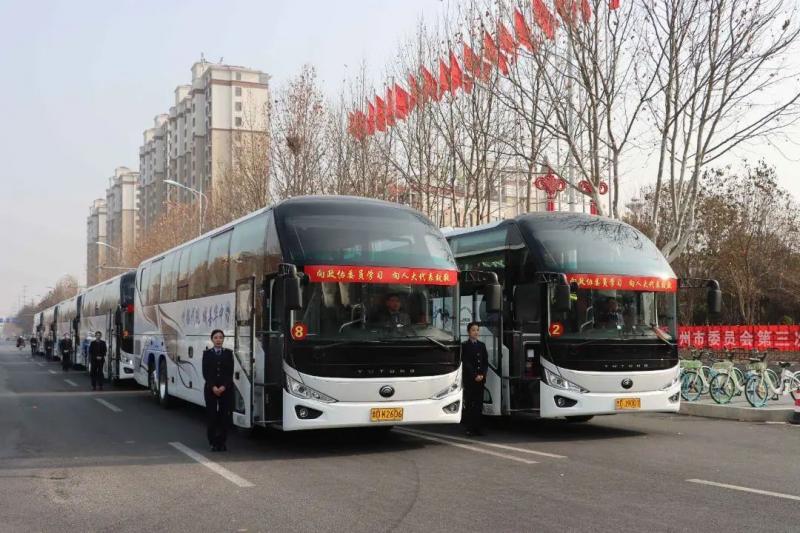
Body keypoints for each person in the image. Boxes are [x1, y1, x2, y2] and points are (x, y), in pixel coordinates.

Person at [202, 329, 234, 452]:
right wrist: (213, 387)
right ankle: (213, 442)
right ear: (212, 339)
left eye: (220, 337)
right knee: (212, 416)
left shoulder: (228, 353)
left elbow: (230, 373)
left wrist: (224, 386)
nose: (218, 340)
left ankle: (222, 442)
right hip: (211, 389)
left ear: (223, 339)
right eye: (216, 337)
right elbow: (205, 373)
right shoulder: (207, 354)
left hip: (226, 389)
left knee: (224, 416)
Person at [461, 321, 489, 436]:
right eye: (473, 330)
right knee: (469, 404)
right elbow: (466, 363)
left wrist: (483, 375)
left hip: (480, 380)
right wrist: (474, 376)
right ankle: (469, 428)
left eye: (477, 330)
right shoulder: (465, 345)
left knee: (478, 404)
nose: (476, 332)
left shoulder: (482, 345)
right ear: (468, 332)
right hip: (470, 380)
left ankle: (478, 427)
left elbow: (485, 362)